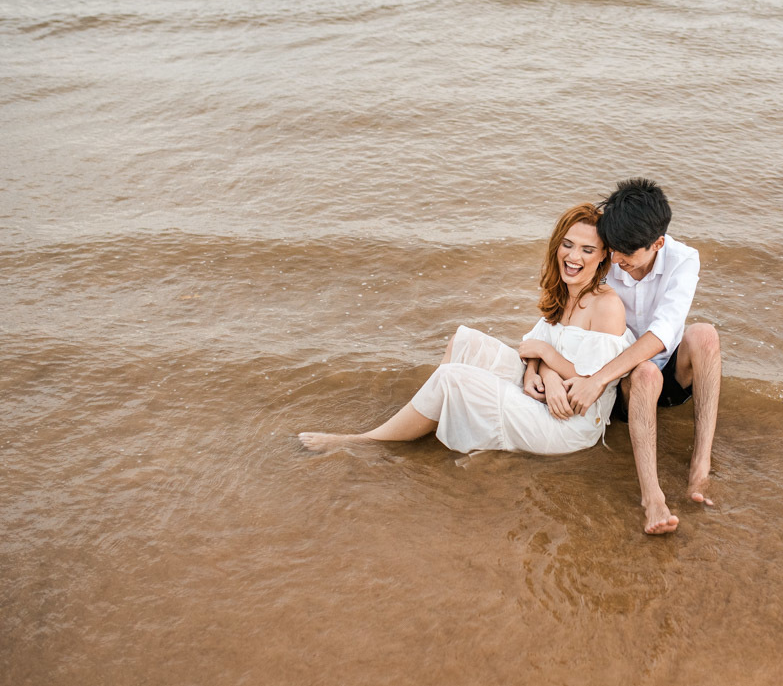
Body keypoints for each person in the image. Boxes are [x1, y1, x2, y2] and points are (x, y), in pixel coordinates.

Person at [299, 204, 635, 456]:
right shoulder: (565, 292)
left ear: (604, 256)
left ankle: (367, 442)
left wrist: (545, 358)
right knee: (465, 341)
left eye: (587, 250)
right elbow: (530, 345)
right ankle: (433, 417)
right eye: (568, 244)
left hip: (569, 424)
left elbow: (593, 380)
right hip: (548, 393)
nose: (574, 256)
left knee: (452, 378)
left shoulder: (605, 305)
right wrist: (540, 371)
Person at [552, 179, 722, 535]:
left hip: (667, 379)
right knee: (644, 372)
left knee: (704, 335)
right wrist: (545, 367)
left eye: (627, 254)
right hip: (624, 386)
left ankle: (699, 468)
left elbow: (663, 334)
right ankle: (652, 497)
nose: (616, 260)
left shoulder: (683, 259)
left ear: (657, 243)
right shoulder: (607, 253)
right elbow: (560, 313)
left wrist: (593, 381)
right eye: (613, 250)